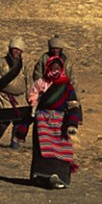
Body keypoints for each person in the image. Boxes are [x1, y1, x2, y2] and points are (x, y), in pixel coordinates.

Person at [27, 55, 82, 189]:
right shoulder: (41, 83)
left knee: (61, 149)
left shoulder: (67, 85)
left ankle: (59, 177)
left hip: (60, 121)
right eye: (53, 68)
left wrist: (72, 122)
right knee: (42, 149)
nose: (55, 71)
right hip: (42, 121)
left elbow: (73, 104)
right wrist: (34, 107)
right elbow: (32, 97)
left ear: (62, 69)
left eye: (58, 68)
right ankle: (41, 176)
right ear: (48, 69)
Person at [0, 37, 34, 148]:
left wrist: (30, 98)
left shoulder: (24, 65)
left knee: (18, 123)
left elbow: (28, 81)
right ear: (10, 49)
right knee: (3, 123)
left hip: (21, 99)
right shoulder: (0, 62)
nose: (16, 52)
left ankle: (15, 145)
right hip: (3, 98)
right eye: (14, 49)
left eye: (19, 50)